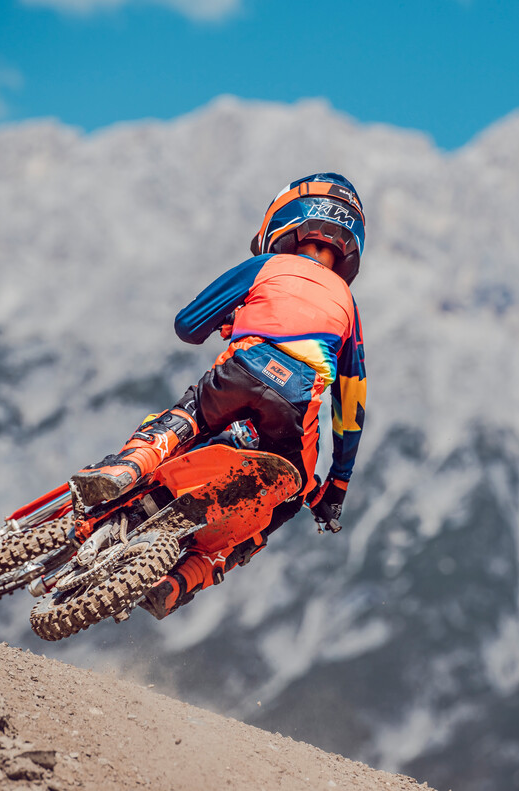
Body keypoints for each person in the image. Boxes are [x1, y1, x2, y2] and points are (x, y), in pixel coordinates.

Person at [69, 172, 368, 619]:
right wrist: (336, 486)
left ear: (284, 221)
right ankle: (187, 578)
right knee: (287, 496)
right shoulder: (348, 304)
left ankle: (128, 466)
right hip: (296, 407)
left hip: (241, 372)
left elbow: (187, 326)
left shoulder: (266, 267)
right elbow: (351, 406)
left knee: (191, 415)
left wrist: (231, 318)